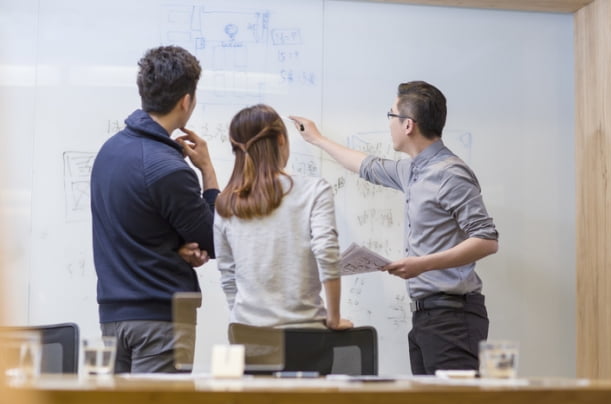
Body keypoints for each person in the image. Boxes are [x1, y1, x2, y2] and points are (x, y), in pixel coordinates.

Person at [290, 81, 499, 375]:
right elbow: (367, 166)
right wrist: (317, 139)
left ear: (408, 125)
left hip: (453, 318)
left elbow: (487, 240)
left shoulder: (450, 173)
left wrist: (421, 265)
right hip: (427, 317)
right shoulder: (413, 170)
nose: (388, 123)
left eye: (391, 116)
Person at [90, 45, 219, 375]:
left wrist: (174, 246)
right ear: (185, 101)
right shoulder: (169, 169)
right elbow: (215, 240)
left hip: (113, 319)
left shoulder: (109, 151)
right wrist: (207, 171)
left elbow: (137, 226)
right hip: (162, 319)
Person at [214, 104, 353, 333]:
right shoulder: (314, 190)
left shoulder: (226, 202)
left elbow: (228, 274)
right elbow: (327, 251)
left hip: (247, 335)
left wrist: (240, 320)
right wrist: (334, 318)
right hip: (306, 333)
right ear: (280, 139)